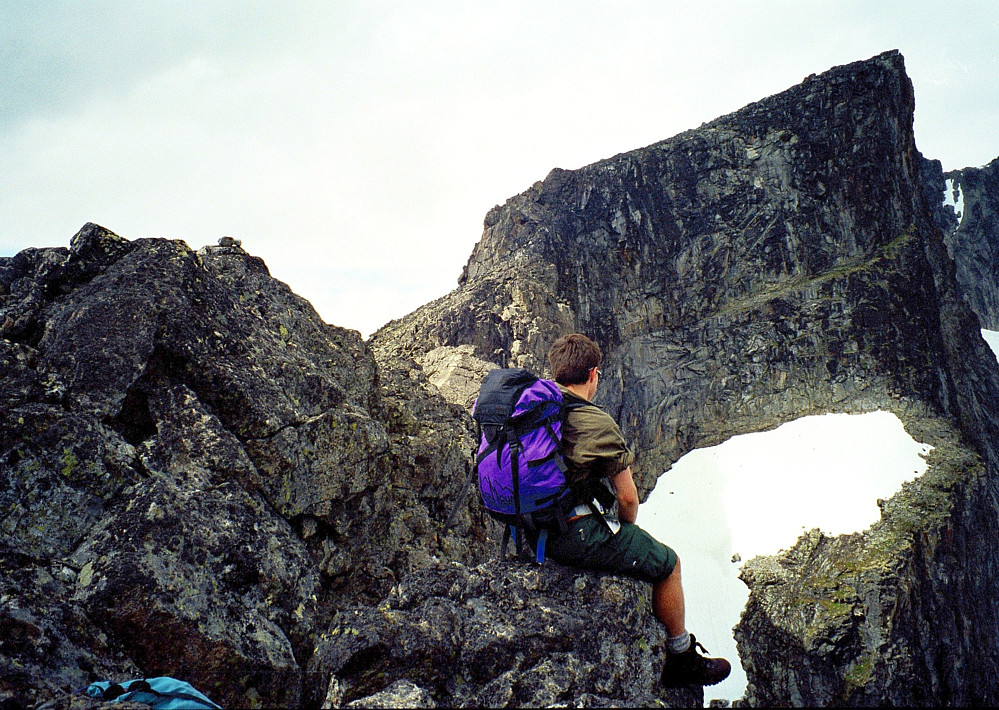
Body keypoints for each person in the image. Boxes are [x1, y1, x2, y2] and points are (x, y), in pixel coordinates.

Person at [542, 333, 731, 688]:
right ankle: (681, 657)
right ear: (594, 374)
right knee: (668, 563)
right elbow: (628, 498)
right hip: (573, 534)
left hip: (534, 530)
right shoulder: (595, 423)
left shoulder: (540, 410)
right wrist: (625, 532)